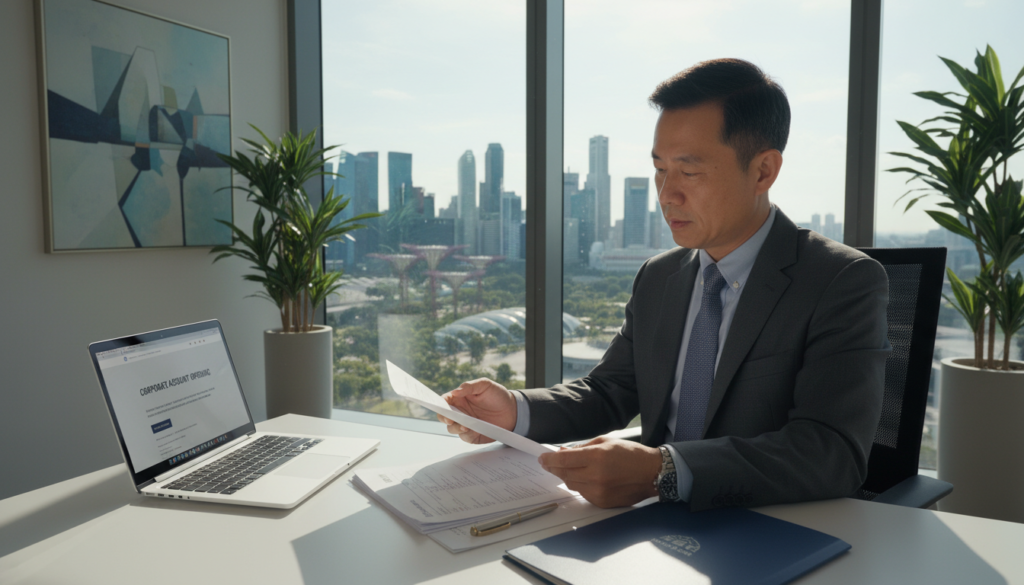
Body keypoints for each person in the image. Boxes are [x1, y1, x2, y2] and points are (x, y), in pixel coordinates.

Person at [439, 58, 890, 512]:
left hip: (768, 529)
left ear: (763, 172)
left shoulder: (840, 281)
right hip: (645, 525)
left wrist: (664, 471)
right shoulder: (660, 275)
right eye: (660, 170)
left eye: (689, 172)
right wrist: (517, 411)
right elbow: (610, 390)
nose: (667, 194)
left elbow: (830, 452)